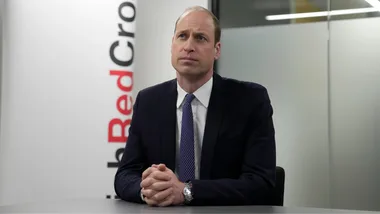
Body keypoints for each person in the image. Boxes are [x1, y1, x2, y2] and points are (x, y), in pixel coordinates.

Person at [114, 6, 276, 206]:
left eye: (200, 38)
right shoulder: (148, 101)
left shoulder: (250, 100)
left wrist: (186, 191)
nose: (188, 46)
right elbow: (124, 175)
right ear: (172, 44)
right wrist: (148, 189)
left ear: (217, 50)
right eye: (182, 36)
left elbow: (261, 183)